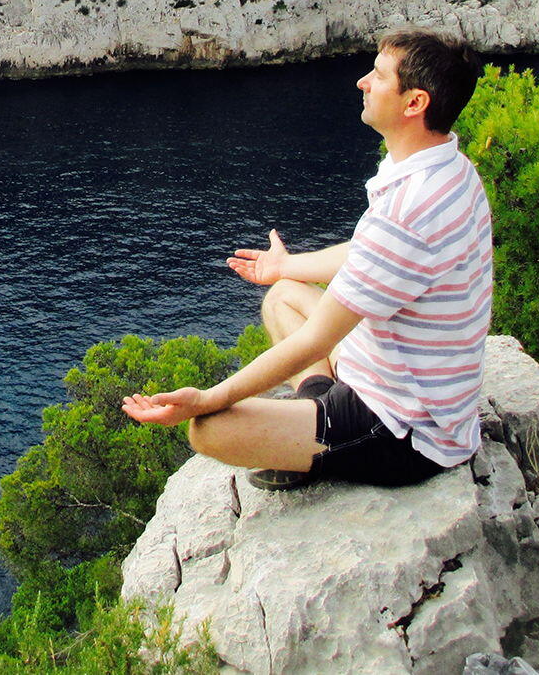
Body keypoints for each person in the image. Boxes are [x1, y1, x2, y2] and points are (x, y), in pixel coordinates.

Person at [122, 29, 492, 489]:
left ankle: (318, 447)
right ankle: (316, 420)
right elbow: (366, 255)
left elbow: (316, 341)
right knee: (283, 296)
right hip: (401, 375)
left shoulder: (408, 212)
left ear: (414, 103)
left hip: (405, 427)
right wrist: (284, 267)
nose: (362, 82)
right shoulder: (446, 164)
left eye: (377, 76)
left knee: (211, 429)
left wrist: (207, 398)